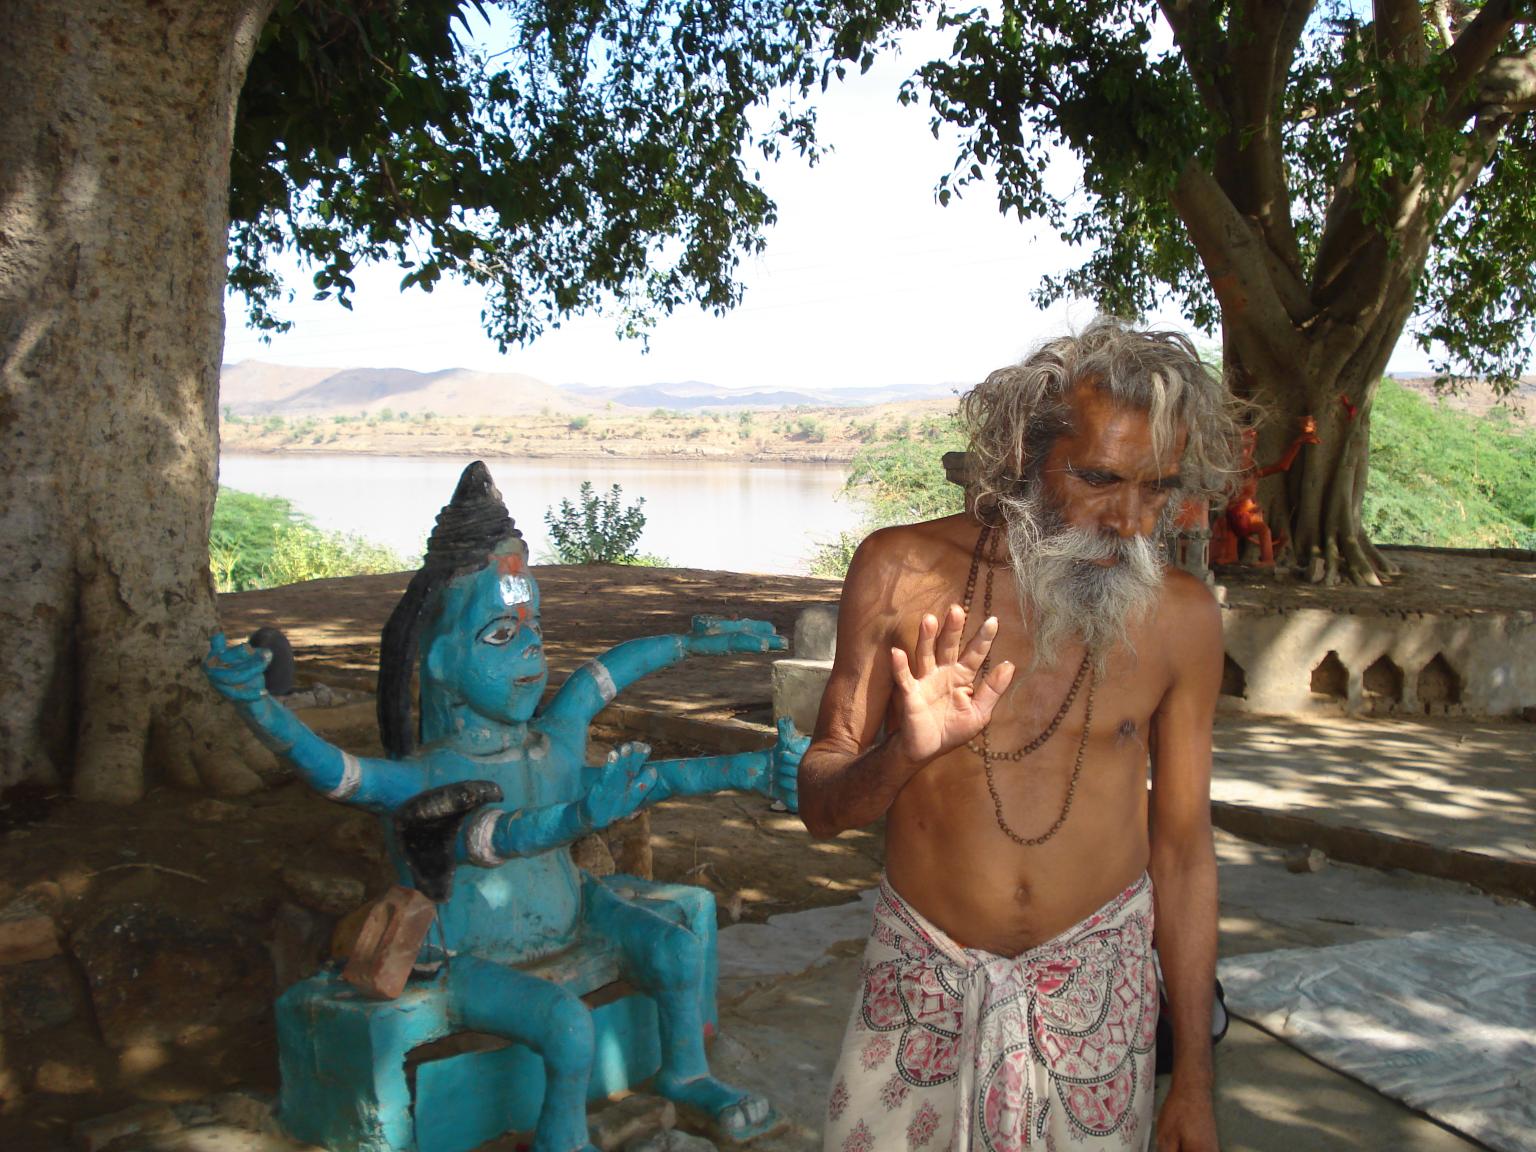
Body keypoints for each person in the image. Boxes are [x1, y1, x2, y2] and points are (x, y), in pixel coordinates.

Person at [799, 319, 1241, 1152]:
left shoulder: (1182, 619)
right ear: (1023, 458)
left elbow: (1182, 850)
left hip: (1097, 1011)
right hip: (919, 990)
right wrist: (903, 754)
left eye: (1159, 489)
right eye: (1101, 479)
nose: (1135, 522)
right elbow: (821, 807)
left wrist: (1195, 1085)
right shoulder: (898, 573)